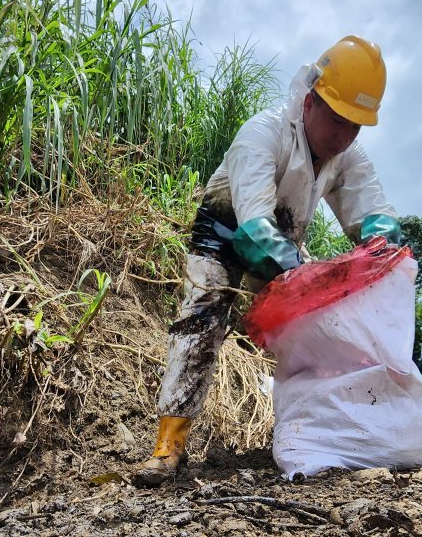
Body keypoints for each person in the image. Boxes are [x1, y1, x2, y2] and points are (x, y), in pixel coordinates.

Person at [133, 36, 402, 488]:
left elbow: (371, 211)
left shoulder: (346, 156)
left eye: (355, 127)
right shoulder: (263, 132)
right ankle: (168, 447)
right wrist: (306, 278)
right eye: (337, 121)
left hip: (283, 243)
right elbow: (254, 228)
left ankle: (317, 435)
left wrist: (382, 248)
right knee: (202, 318)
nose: (344, 136)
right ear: (311, 102)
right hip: (227, 231)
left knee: (312, 332)